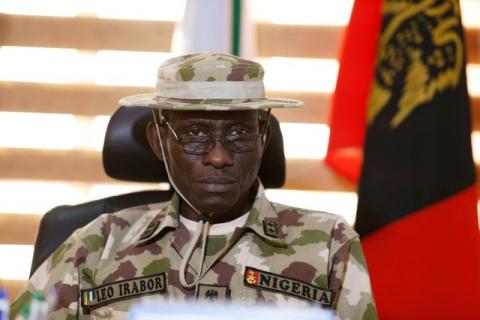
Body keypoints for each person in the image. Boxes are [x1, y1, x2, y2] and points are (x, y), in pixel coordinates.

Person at [10, 52, 377, 319]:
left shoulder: (329, 244)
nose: (219, 157)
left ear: (263, 137)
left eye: (239, 132)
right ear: (158, 141)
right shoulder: (96, 245)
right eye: (195, 134)